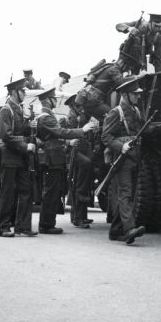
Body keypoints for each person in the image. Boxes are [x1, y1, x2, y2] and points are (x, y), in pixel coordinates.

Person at [32, 87, 96, 234]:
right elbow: (61, 132)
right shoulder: (46, 117)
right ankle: (46, 225)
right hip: (52, 159)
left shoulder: (45, 116)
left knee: (52, 191)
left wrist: (67, 143)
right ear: (48, 100)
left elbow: (56, 137)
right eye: (54, 98)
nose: (56, 101)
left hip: (54, 158)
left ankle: (48, 223)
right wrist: (83, 130)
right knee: (50, 192)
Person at [101, 76, 147, 244]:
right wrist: (121, 147)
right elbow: (105, 136)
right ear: (126, 95)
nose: (138, 96)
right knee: (125, 194)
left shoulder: (136, 111)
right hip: (122, 159)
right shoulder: (116, 112)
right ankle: (129, 229)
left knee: (131, 194)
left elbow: (144, 129)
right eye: (135, 94)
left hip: (135, 157)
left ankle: (115, 230)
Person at [0, 78, 38, 237]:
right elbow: (6, 136)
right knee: (8, 193)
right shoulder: (5, 110)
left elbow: (19, 130)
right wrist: (25, 146)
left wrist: (29, 127)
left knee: (26, 191)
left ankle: (23, 227)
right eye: (23, 91)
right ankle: (4, 227)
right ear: (14, 92)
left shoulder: (18, 109)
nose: (25, 94)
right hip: (9, 158)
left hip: (20, 158)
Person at [66, 94, 97, 228]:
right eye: (78, 106)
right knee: (79, 185)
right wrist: (69, 142)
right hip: (75, 153)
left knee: (84, 184)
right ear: (73, 106)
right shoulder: (70, 119)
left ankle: (82, 216)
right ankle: (77, 218)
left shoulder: (82, 116)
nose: (81, 108)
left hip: (83, 150)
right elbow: (64, 134)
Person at [75, 56, 130, 121]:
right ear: (122, 62)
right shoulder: (114, 68)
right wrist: (137, 76)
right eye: (126, 67)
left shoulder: (108, 66)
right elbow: (121, 81)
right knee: (114, 115)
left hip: (90, 98)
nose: (125, 69)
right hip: (94, 100)